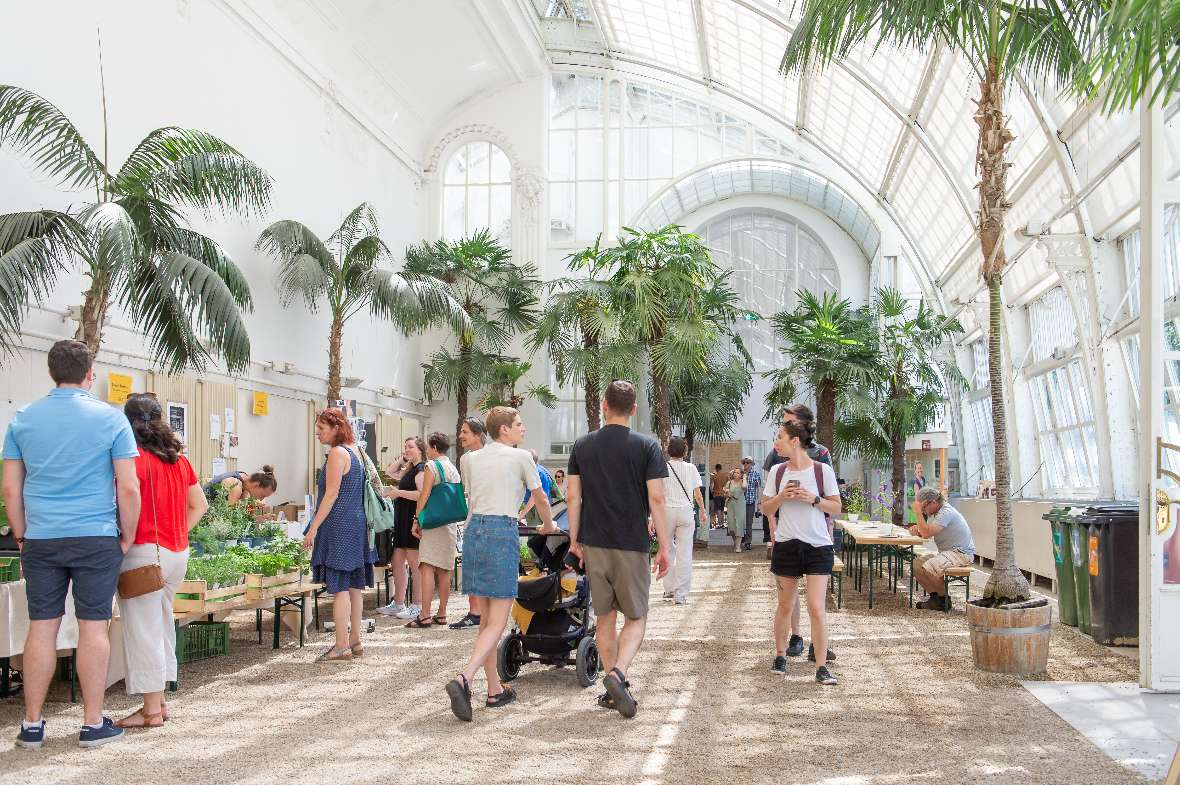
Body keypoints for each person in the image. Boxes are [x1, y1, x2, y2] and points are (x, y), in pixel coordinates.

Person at [4, 340, 141, 748]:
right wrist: (127, 533)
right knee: (93, 626)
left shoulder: (23, 419)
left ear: (51, 372)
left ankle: (31, 725)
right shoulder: (110, 418)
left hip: (42, 537)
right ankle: (92, 723)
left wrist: (23, 535)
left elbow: (10, 489)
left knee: (41, 627)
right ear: (90, 373)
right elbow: (128, 487)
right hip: (95, 537)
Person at [566, 380, 669, 719]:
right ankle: (618, 674)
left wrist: (574, 540)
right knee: (637, 617)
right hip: (631, 543)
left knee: (605, 618)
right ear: (635, 410)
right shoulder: (647, 446)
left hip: (594, 543)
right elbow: (657, 498)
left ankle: (612, 691)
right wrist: (665, 545)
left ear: (604, 406)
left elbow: (572, 498)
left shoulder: (582, 446)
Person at [445, 406, 554, 721]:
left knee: (486, 620)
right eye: (519, 424)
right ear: (504, 429)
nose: (523, 429)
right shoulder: (520, 457)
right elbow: (541, 498)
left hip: (475, 530)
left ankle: (494, 690)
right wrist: (548, 526)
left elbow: (472, 497)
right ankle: (464, 677)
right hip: (501, 530)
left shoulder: (469, 459)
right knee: (498, 622)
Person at [115, 394, 208, 728]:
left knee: (144, 629)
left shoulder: (133, 460)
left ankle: (151, 710)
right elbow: (200, 505)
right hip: (176, 553)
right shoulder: (179, 461)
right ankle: (161, 701)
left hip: (142, 551)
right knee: (162, 623)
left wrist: (126, 537)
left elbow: (127, 501)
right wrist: (178, 531)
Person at [762, 419, 841, 686]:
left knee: (816, 607)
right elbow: (766, 509)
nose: (776, 442)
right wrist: (783, 496)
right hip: (787, 545)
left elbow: (837, 508)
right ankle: (781, 655)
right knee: (785, 605)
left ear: (795, 440)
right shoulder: (777, 471)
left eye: (780, 437)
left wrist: (814, 499)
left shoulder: (822, 471)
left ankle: (821, 666)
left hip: (818, 546)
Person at [304, 409, 375, 661]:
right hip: (357, 523)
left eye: (321, 428)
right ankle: (355, 640)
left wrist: (313, 526)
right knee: (354, 585)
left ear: (336, 428)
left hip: (339, 524)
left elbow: (331, 494)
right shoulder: (356, 451)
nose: (317, 433)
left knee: (341, 586)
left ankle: (341, 645)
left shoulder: (336, 453)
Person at [407, 432, 460, 628]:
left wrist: (417, 519)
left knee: (427, 566)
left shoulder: (432, 466)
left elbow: (425, 495)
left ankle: (425, 614)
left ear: (435, 448)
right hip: (449, 523)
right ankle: (442, 613)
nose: (427, 451)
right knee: (444, 569)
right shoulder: (453, 468)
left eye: (428, 447)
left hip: (433, 522)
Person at [375, 436, 425, 620]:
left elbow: (421, 495)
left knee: (414, 564)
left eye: (411, 447)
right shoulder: (410, 468)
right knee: (397, 562)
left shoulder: (421, 469)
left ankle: (418, 604)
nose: (407, 449)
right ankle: (398, 602)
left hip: (412, 519)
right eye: (405, 447)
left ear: (420, 449)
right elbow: (390, 471)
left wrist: (398, 493)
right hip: (401, 521)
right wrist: (404, 458)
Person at [909, 488, 976, 610]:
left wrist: (918, 513)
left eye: (924, 507)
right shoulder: (936, 513)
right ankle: (936, 599)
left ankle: (944, 601)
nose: (923, 511)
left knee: (930, 567)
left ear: (933, 502)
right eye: (922, 509)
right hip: (948, 553)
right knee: (916, 564)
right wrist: (918, 531)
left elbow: (928, 533)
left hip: (961, 553)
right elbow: (926, 533)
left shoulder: (946, 512)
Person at [449, 418, 487, 630]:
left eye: (465, 432)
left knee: (475, 565)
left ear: (478, 434)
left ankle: (478, 612)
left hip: (481, 515)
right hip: (473, 514)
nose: (461, 435)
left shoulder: (483, 457)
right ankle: (476, 611)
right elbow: (467, 490)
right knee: (472, 564)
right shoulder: (465, 459)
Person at [662, 436, 703, 605]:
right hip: (686, 511)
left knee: (668, 551)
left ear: (667, 450)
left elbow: (658, 494)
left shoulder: (662, 468)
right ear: (685, 452)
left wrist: (652, 517)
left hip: (667, 511)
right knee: (684, 553)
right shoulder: (691, 468)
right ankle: (681, 594)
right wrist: (703, 511)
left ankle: (669, 589)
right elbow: (697, 494)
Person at [762, 404, 832, 473]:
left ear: (805, 425)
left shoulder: (821, 453)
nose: (784, 427)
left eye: (789, 423)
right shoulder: (777, 451)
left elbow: (827, 482)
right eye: (784, 423)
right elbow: (768, 481)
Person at [202, 466, 277, 505]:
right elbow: (230, 518)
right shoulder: (236, 486)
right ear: (256, 485)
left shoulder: (245, 482)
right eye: (262, 495)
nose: (261, 499)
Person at [740, 456, 763, 550]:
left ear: (751, 464)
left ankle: (748, 542)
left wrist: (759, 502)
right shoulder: (739, 474)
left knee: (749, 523)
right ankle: (741, 539)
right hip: (739, 502)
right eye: (744, 462)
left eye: (748, 462)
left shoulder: (756, 474)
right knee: (740, 523)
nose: (745, 464)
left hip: (750, 502)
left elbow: (758, 489)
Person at [725, 468, 746, 553]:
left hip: (740, 505)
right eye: (734, 472)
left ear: (741, 474)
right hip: (730, 505)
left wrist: (744, 478)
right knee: (731, 526)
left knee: (739, 524)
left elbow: (744, 487)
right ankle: (736, 542)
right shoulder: (729, 483)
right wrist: (727, 493)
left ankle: (738, 546)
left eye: (738, 473)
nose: (735, 474)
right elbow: (725, 493)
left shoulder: (742, 482)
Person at [709, 464, 727, 528]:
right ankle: (723, 523)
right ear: (721, 468)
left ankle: (720, 523)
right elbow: (727, 486)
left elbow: (711, 487)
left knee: (718, 509)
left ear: (716, 469)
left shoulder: (714, 477)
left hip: (717, 495)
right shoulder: (725, 476)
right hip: (723, 494)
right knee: (722, 509)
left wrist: (712, 493)